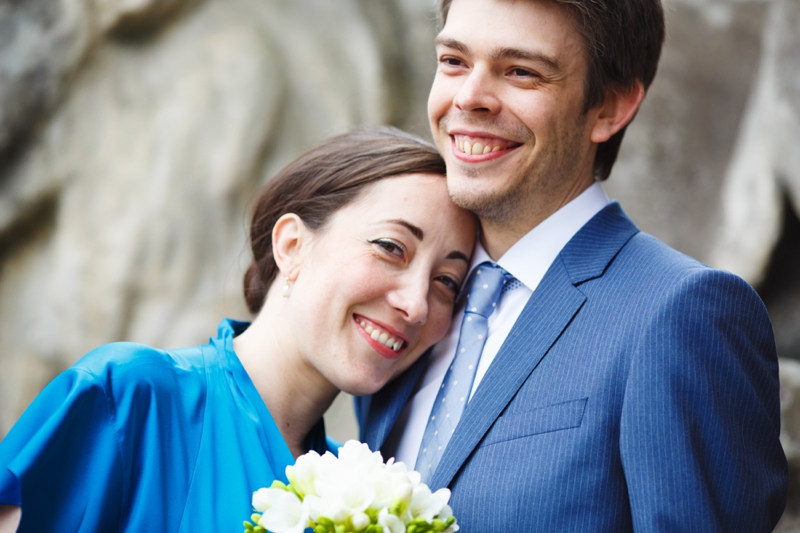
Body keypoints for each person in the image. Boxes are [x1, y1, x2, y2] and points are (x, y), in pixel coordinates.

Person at [357, 0, 789, 531]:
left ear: (611, 106)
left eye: (521, 72)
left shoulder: (684, 314)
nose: (469, 97)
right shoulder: (409, 306)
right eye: (454, 61)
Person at [0, 127, 477, 532]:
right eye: (391, 247)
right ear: (292, 245)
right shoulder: (129, 397)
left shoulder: (364, 493)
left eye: (446, 282)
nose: (416, 304)